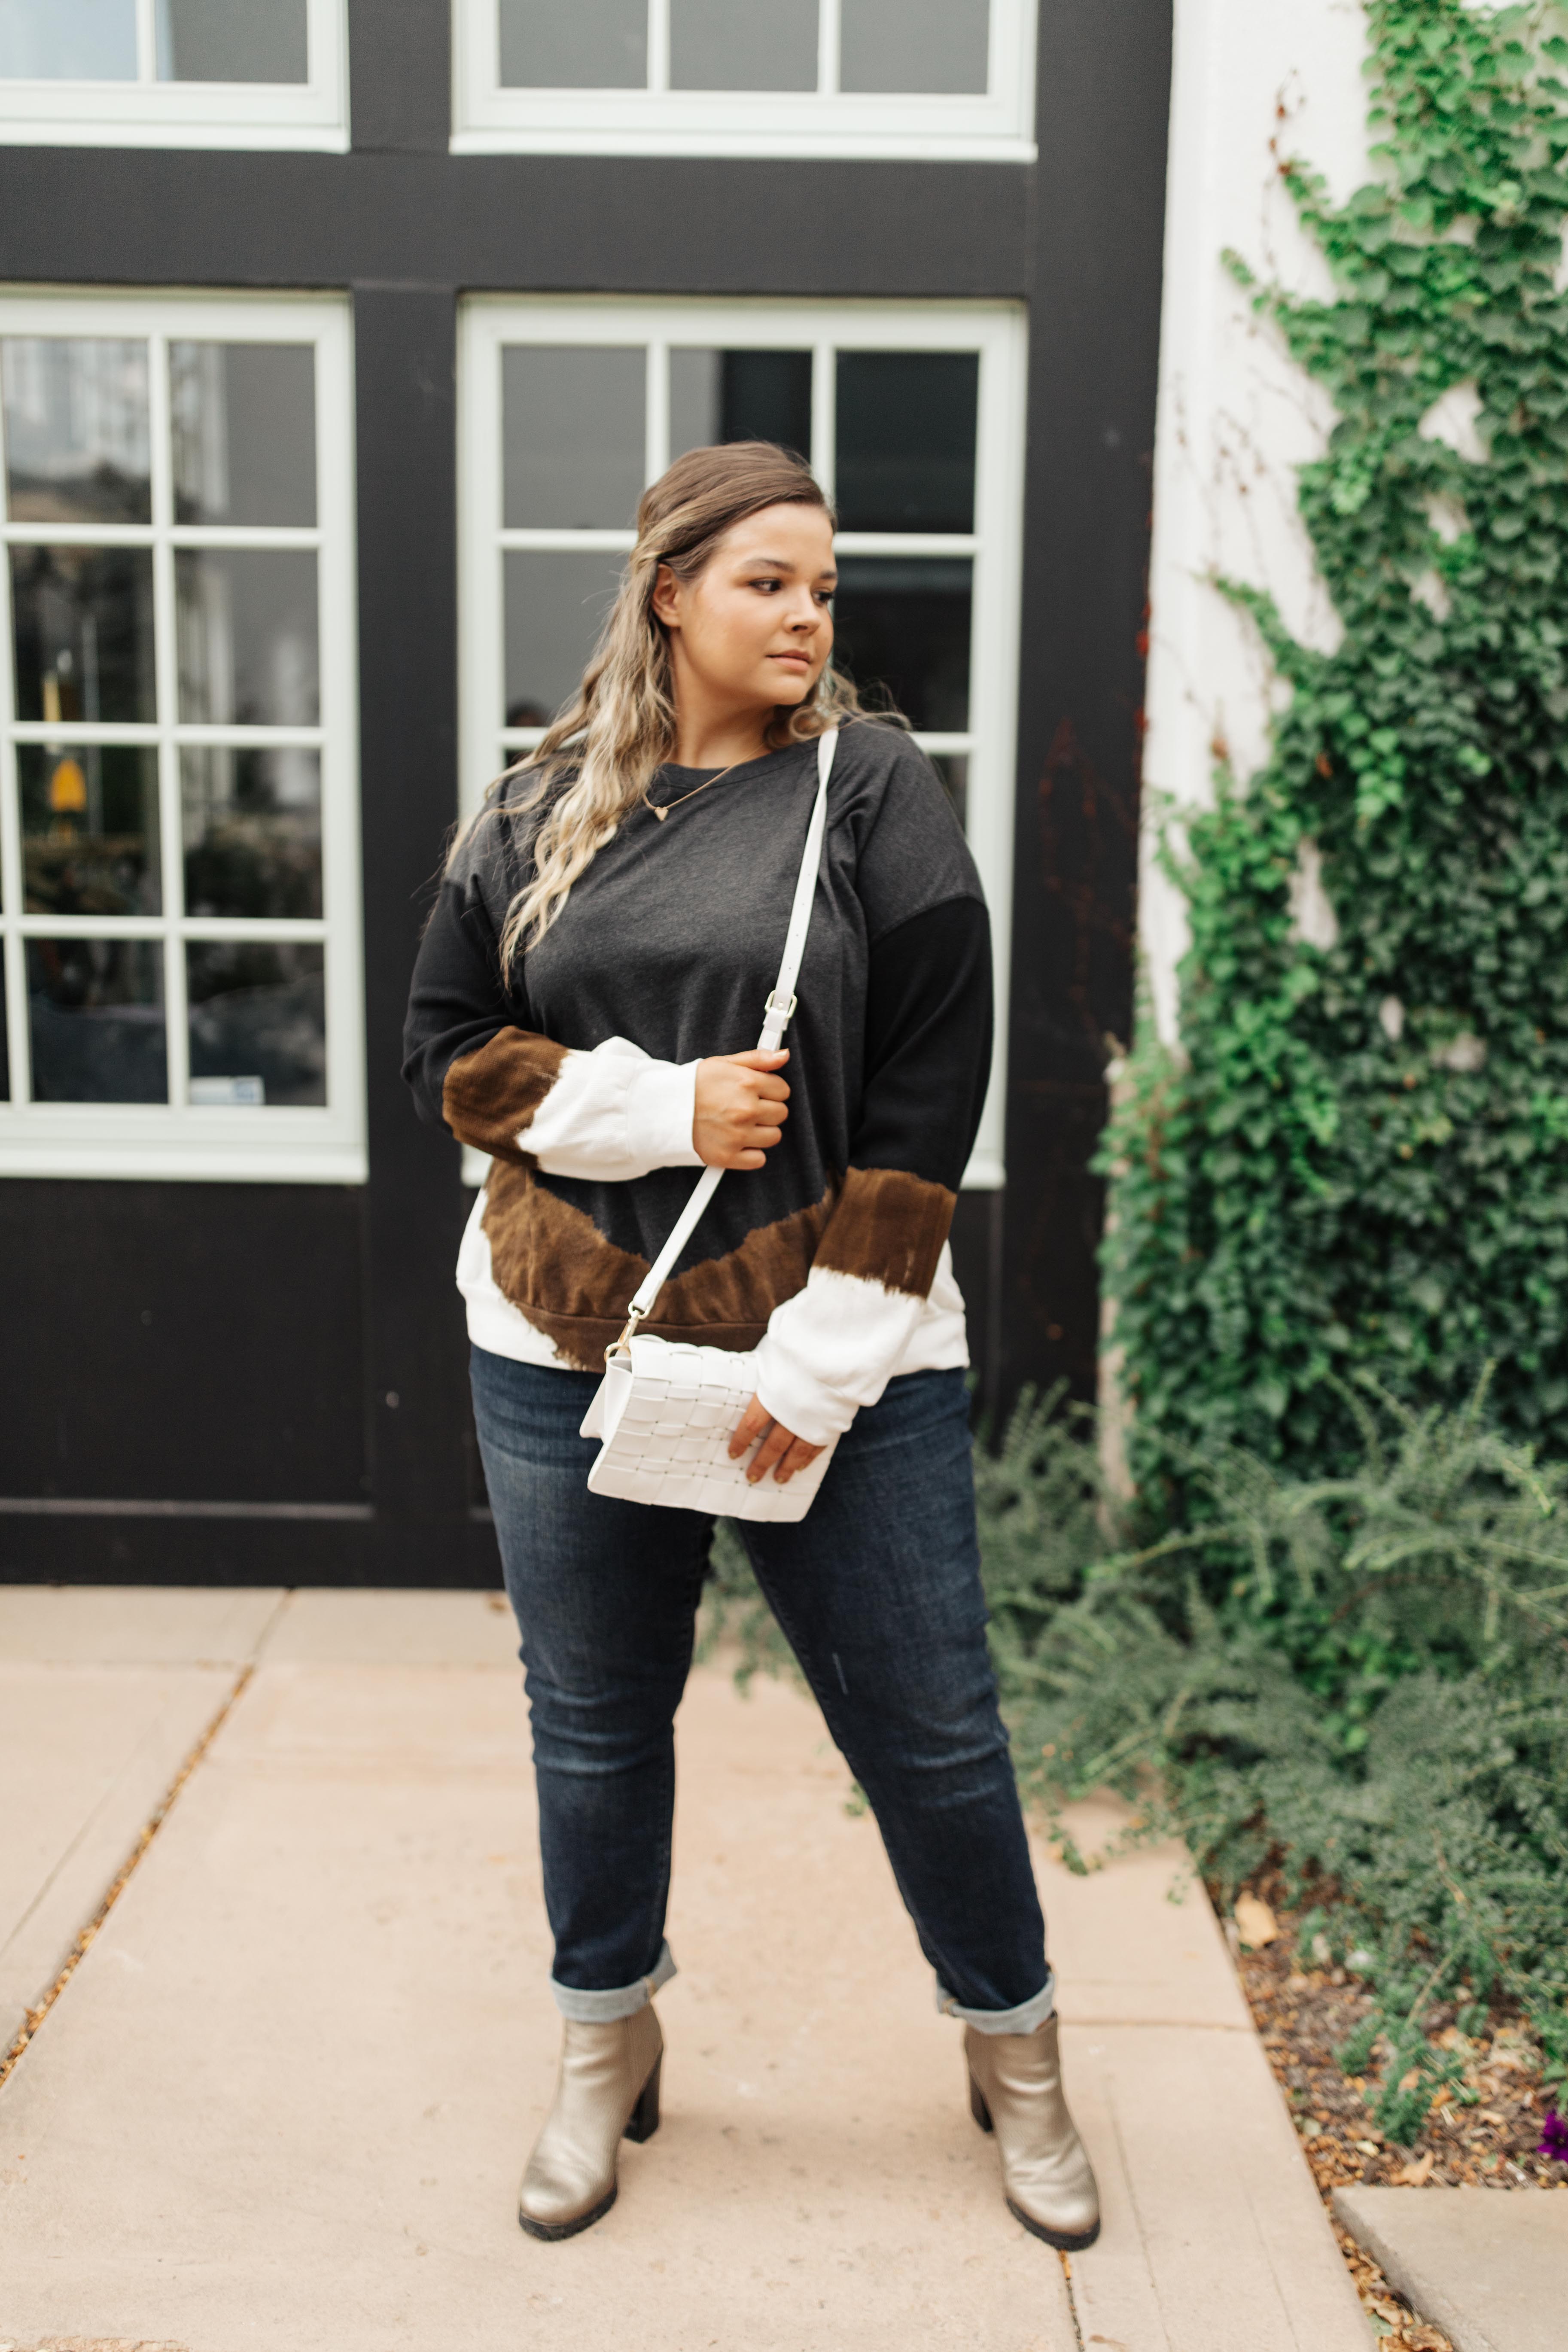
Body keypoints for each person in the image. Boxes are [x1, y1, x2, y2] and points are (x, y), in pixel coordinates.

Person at [402, 440, 1099, 2251]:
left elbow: (931, 1088)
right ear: (670, 593)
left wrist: (818, 1369)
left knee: (932, 1732)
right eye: (766, 582)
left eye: (823, 587)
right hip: (560, 1336)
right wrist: (661, 1105)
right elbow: (447, 1055)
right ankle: (603, 2036)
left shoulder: (869, 790)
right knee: (591, 1726)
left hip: (839, 1358)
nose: (806, 616)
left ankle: (1016, 2054)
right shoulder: (533, 805)